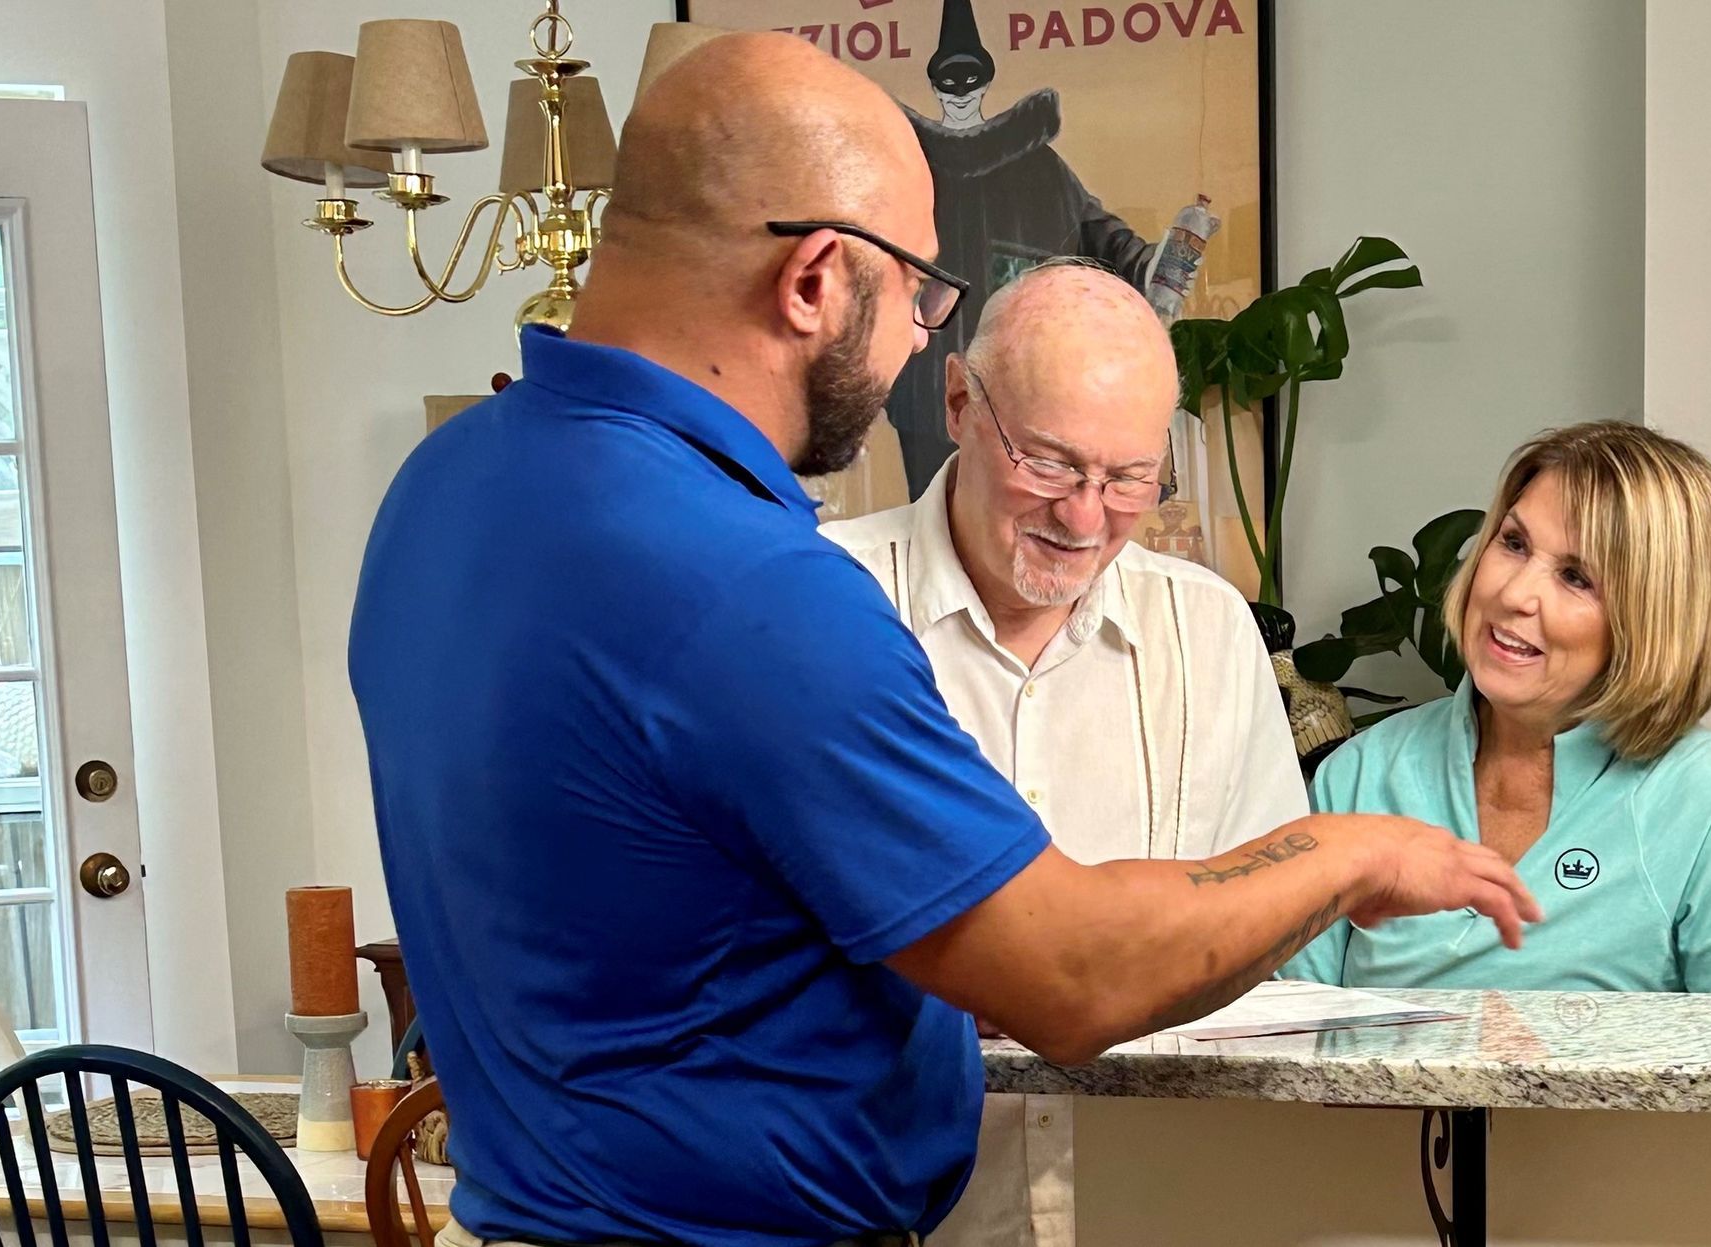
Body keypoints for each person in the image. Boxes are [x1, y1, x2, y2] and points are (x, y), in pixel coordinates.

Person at [349, 32, 1539, 1247]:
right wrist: (1345, 849)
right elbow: (1072, 976)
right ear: (814, 279)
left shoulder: (440, 492)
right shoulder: (753, 585)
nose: (921, 335)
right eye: (917, 290)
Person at [822, 260, 1306, 1247]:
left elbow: (1265, 930)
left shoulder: (1208, 628)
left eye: (1128, 476)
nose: (1085, 517)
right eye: (1048, 462)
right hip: (891, 1216)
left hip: (1164, 1207)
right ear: (958, 401)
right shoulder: (823, 603)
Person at [1282, 422, 1711, 995]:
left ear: (1655, 622)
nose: (1514, 594)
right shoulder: (1360, 775)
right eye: (1513, 543)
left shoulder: (1706, 799)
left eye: (1576, 578)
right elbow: (1287, 1039)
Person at [886, 0, 1161, 488]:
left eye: (969, 78)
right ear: (933, 85)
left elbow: (1101, 233)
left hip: (1023, 382)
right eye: (949, 80)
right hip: (925, 384)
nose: (959, 92)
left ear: (986, 80)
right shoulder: (904, 166)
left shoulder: (1039, 167)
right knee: (926, 509)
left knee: (1019, 501)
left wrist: (1154, 265)